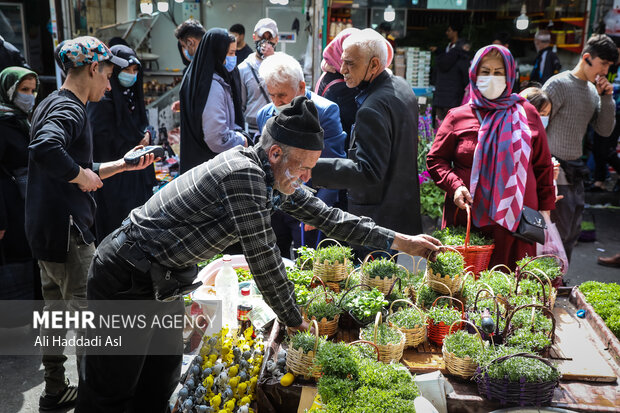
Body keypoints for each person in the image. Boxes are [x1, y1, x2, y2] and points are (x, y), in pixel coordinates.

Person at [76, 96, 442, 412]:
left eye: (312, 168)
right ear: (276, 152)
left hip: (163, 281)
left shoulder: (273, 177)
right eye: (304, 167)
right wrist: (293, 318)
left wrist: (401, 241)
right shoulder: (243, 175)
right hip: (126, 275)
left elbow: (328, 218)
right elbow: (263, 254)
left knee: (158, 382)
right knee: (110, 392)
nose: (307, 176)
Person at [27, 36, 156, 411]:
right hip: (69, 233)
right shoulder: (70, 110)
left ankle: (54, 390)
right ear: (93, 68)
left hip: (46, 231)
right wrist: (79, 177)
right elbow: (46, 149)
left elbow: (77, 166)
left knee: (53, 314)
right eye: (108, 75)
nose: (110, 85)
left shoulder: (52, 102)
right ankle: (95, 401)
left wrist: (123, 163)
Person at [427, 45, 556, 270]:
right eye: (485, 71)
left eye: (498, 72)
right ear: (474, 74)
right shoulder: (458, 116)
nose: (491, 78)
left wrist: (545, 213)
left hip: (516, 223)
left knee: (510, 288)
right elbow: (436, 160)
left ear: (509, 75)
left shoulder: (527, 113)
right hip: (468, 218)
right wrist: (455, 186)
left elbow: (542, 166)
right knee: (464, 284)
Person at [311, 29, 422, 259]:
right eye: (342, 62)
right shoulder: (401, 86)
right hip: (400, 210)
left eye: (350, 64)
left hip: (378, 221)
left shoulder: (372, 107)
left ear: (373, 65)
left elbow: (368, 171)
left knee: (374, 289)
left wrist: (310, 166)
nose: (342, 70)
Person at [256, 52, 347, 256]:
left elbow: (334, 165)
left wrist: (317, 212)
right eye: (271, 95)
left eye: (282, 95)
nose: (276, 102)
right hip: (275, 207)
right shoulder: (265, 114)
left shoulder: (325, 111)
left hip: (308, 204)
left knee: (307, 266)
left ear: (301, 87)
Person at [543, 34, 618, 261]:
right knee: (559, 229)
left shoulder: (594, 92)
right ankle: (548, 280)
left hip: (576, 167)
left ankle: (559, 280)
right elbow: (535, 126)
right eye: (603, 64)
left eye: (609, 65)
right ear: (587, 58)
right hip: (554, 167)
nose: (605, 71)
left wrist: (607, 98)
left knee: (573, 230)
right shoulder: (558, 84)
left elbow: (605, 130)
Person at [86, 45, 157, 243]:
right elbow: (99, 142)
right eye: (126, 70)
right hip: (114, 180)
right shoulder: (102, 101)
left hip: (136, 176)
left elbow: (142, 124)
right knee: (117, 235)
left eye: (135, 70)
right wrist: (133, 141)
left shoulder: (133, 97)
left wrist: (147, 134)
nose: (131, 75)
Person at [178, 28, 247, 174]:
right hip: (209, 167)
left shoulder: (196, 76)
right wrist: (241, 139)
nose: (233, 58)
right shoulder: (213, 86)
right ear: (218, 53)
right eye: (230, 53)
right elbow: (216, 137)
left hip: (195, 162)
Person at [0, 67, 39, 303]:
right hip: (9, 206)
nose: (30, 96)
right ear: (9, 91)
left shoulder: (23, 121)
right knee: (14, 263)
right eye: (24, 90)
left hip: (27, 203)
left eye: (33, 90)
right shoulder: (3, 125)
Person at [238, 18, 279, 135]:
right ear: (254, 37)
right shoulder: (243, 68)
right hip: (253, 129)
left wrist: (272, 60)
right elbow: (241, 105)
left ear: (277, 39)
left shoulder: (284, 65)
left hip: (277, 127)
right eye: (262, 38)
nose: (266, 43)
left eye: (270, 38)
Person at [430, 21, 470, 123]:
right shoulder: (461, 53)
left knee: (440, 126)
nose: (447, 33)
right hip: (454, 97)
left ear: (455, 32)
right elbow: (465, 76)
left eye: (449, 30)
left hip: (441, 96)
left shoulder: (448, 54)